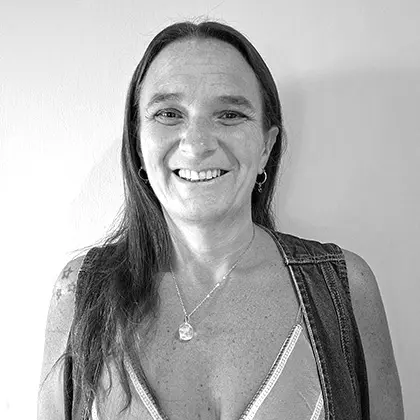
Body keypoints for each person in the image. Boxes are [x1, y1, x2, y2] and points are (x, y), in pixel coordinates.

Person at [38, 21, 403, 420]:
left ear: (266, 147)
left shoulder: (346, 288)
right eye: (168, 113)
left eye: (229, 114)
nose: (197, 144)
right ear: (139, 144)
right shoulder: (78, 293)